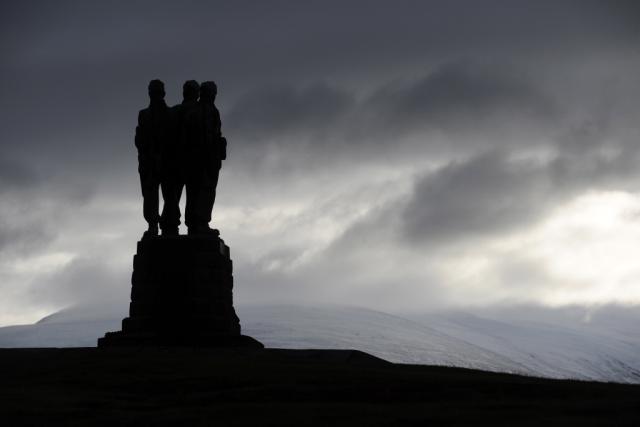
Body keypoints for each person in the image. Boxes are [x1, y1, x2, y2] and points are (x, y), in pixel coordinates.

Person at [183, 81, 227, 235]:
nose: (213, 96)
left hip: (208, 158)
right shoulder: (199, 111)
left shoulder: (211, 111)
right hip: (201, 159)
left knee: (202, 192)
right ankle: (197, 224)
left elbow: (215, 133)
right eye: (211, 93)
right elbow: (199, 135)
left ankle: (199, 223)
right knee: (199, 191)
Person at [160, 80, 200, 235]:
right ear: (195, 94)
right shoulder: (197, 111)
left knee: (173, 196)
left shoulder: (173, 111)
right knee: (191, 194)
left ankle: (170, 224)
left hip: (174, 160)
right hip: (190, 160)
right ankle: (193, 224)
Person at [135, 79, 170, 238]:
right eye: (153, 91)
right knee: (150, 195)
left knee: (169, 195)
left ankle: (168, 225)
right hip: (149, 162)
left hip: (166, 160)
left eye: (157, 91)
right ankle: (153, 224)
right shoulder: (143, 115)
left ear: (162, 93)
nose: (155, 94)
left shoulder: (170, 114)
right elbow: (139, 139)